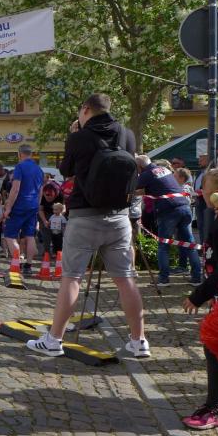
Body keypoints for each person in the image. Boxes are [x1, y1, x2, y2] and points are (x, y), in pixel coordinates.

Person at [27, 93, 149, 358]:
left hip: (85, 215)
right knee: (125, 279)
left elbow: (66, 170)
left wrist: (73, 136)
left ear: (85, 110)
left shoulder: (80, 137)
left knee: (72, 277)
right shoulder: (127, 134)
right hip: (119, 217)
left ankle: (54, 340)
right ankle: (139, 341)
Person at [180, 165, 218, 432]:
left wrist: (198, 295)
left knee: (216, 347)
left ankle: (214, 408)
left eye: (205, 186)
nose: (201, 190)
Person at [136, 155, 202, 286]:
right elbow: (158, 188)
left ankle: (163, 279)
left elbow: (132, 187)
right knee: (190, 244)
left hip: (168, 211)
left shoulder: (146, 173)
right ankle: (196, 278)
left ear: (140, 166)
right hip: (184, 207)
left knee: (163, 246)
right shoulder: (164, 169)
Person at [3, 145, 45, 275]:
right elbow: (40, 191)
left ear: (19, 154)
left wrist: (8, 208)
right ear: (30, 154)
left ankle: (16, 264)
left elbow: (15, 189)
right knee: (30, 236)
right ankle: (28, 266)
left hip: (19, 205)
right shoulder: (39, 169)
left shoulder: (19, 167)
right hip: (33, 206)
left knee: (9, 235)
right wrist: (36, 206)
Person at [37, 181, 62, 258]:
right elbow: (40, 209)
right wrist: (44, 221)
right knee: (45, 233)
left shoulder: (60, 195)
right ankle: (46, 251)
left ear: (55, 194)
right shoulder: (42, 195)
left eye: (51, 195)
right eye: (46, 195)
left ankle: (57, 252)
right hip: (44, 213)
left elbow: (63, 208)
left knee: (56, 234)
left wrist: (57, 217)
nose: (48, 197)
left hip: (56, 214)